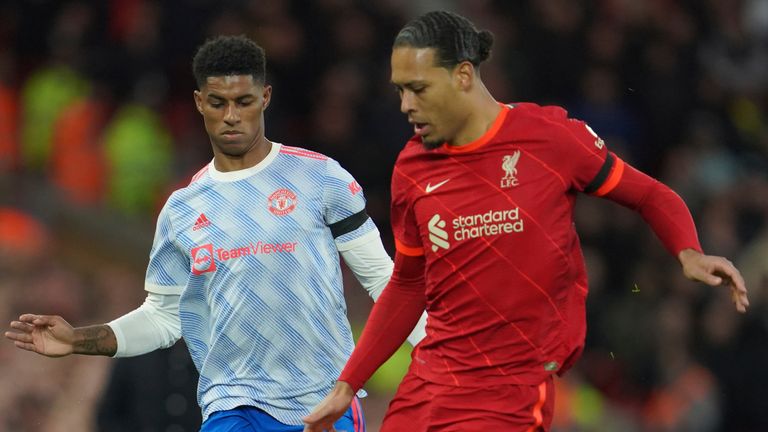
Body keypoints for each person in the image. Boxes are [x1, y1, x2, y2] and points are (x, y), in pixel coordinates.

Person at [302, 11, 750, 432]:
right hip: (431, 380)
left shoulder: (548, 139)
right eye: (400, 90)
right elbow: (407, 285)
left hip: (512, 388)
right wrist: (347, 385)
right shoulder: (412, 169)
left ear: (462, 75)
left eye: (417, 88)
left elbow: (650, 194)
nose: (405, 104)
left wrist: (688, 252)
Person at [5, 35, 425, 432]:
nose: (231, 116)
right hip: (230, 409)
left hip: (320, 403)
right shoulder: (182, 208)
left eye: (243, 101)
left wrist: (442, 346)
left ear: (265, 98)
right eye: (218, 102)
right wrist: (77, 339)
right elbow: (164, 317)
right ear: (199, 103)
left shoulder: (320, 178)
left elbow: (384, 280)